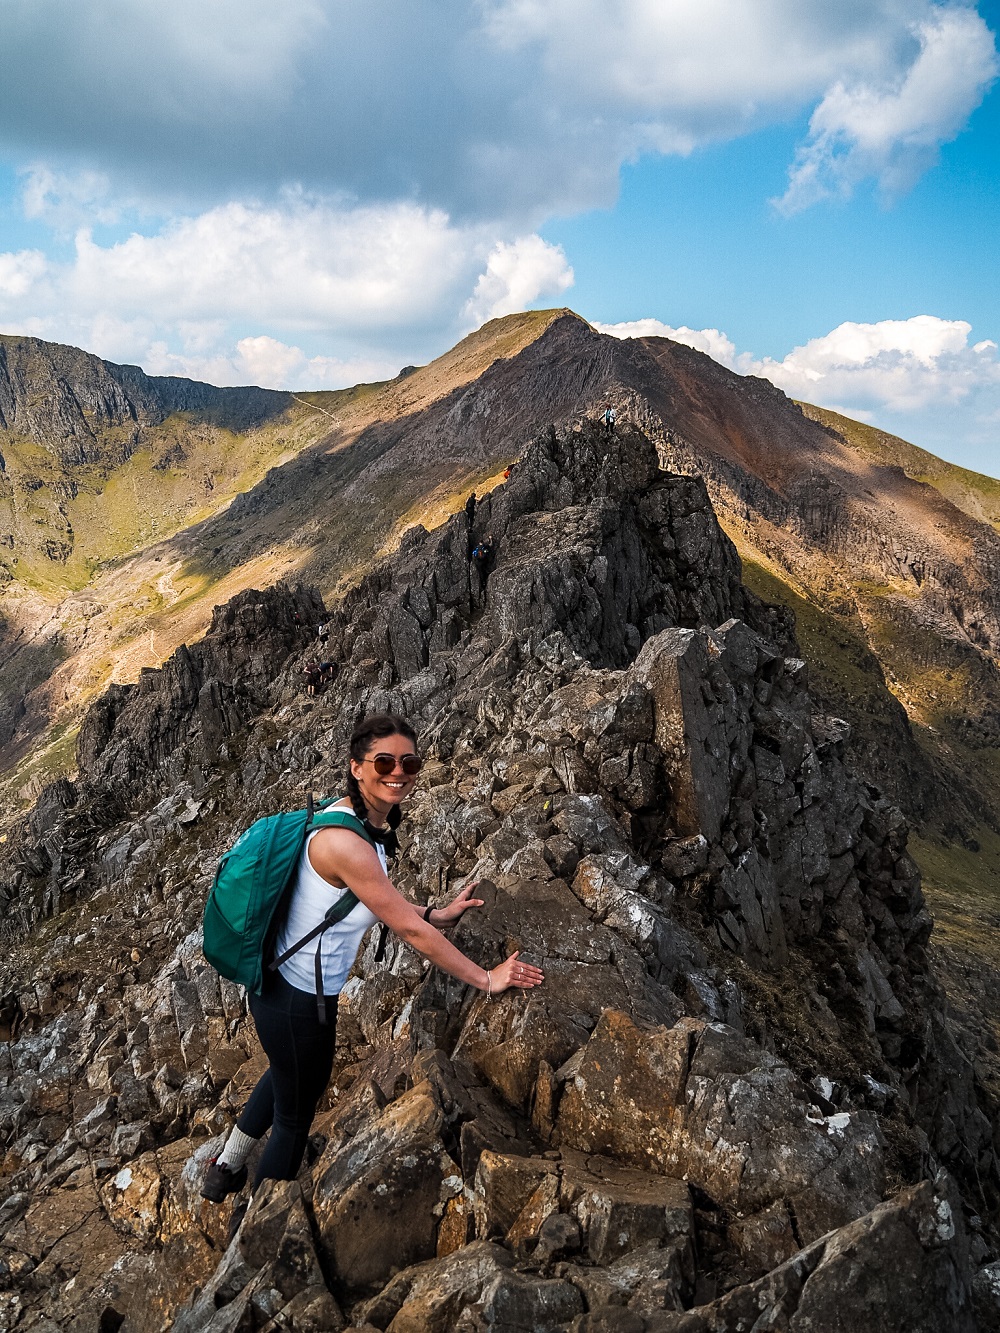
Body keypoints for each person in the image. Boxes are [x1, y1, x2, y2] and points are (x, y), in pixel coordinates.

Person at [201, 713, 543, 1217]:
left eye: (409, 762)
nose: (398, 772)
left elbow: (379, 905)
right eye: (384, 761)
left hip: (279, 991)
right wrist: (487, 979)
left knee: (285, 1072)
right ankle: (254, 1235)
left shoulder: (355, 822)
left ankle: (225, 1168)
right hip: (298, 1003)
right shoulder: (348, 843)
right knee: (295, 1117)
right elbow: (406, 930)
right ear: (357, 768)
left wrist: (436, 912)